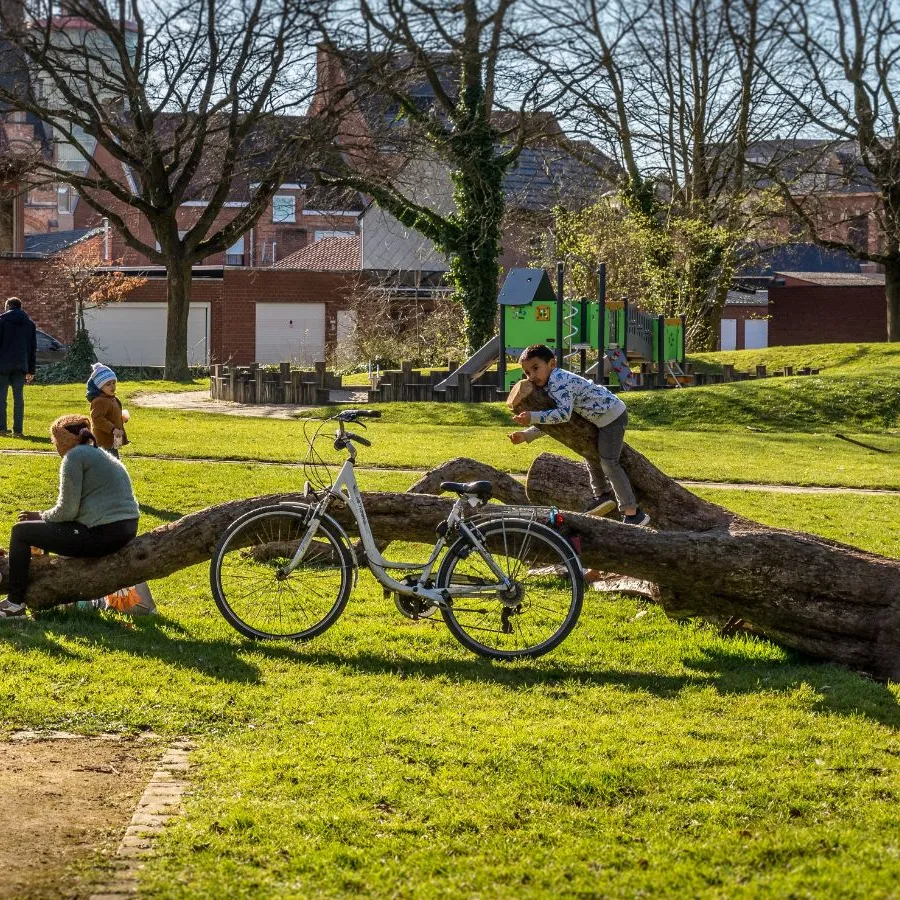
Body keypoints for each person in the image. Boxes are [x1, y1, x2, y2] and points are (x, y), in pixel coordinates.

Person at [0, 414, 140, 617]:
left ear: (62, 441)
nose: (55, 446)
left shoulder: (74, 457)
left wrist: (40, 515)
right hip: (124, 529)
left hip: (102, 534)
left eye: (54, 441)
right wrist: (43, 519)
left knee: (21, 531)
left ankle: (15, 603)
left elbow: (67, 510)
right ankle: (36, 588)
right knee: (39, 530)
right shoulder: (99, 454)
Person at [508, 344, 650, 527]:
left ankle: (633, 513)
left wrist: (532, 417)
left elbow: (562, 415)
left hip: (612, 416)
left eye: (536, 368)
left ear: (551, 364)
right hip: (598, 419)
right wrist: (527, 435)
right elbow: (558, 419)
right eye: (527, 373)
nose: (532, 376)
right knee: (589, 453)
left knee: (609, 462)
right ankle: (602, 496)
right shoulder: (550, 385)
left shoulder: (558, 381)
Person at [0, 297, 37, 438]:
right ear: (20, 307)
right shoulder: (29, 324)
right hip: (21, 365)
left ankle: (2, 429)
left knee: (1, 398)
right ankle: (18, 431)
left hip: (2, 366)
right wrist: (31, 370)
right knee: (18, 399)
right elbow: (32, 349)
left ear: (8, 306)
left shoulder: (2, 321)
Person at [86, 363, 129, 458]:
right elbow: (97, 419)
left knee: (114, 463)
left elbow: (110, 414)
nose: (112, 386)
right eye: (108, 384)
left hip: (112, 440)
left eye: (114, 383)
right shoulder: (100, 401)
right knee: (110, 464)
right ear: (100, 387)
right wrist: (113, 429)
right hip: (104, 441)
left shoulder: (111, 399)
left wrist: (121, 418)